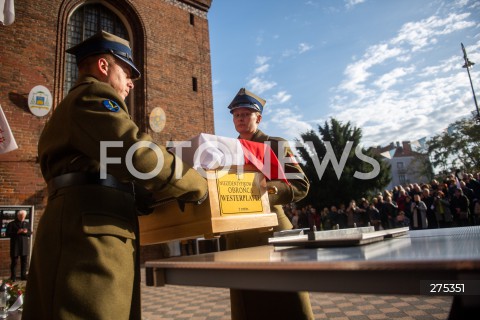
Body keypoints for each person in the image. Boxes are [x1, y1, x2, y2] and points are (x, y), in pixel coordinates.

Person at [22, 31, 208, 320]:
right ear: (104, 66)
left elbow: (107, 163)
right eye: (127, 72)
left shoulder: (82, 105)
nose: (132, 83)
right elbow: (137, 154)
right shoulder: (92, 96)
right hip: (88, 240)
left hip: (96, 231)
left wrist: (142, 194)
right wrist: (197, 183)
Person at [224, 88, 313, 320]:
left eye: (246, 114)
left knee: (288, 303)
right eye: (236, 115)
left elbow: (301, 185)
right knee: (249, 306)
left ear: (258, 118)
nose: (240, 119)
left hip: (272, 231)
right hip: (238, 235)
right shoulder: (225, 150)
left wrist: (266, 191)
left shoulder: (275, 145)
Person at [6, 210, 31, 281]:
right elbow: (8, 234)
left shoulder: (27, 223)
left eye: (24, 217)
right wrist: (17, 232)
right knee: (14, 262)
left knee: (24, 262)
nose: (23, 218)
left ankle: (23, 276)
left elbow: (30, 233)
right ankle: (13, 277)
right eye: (21, 217)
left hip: (24, 245)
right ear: (18, 216)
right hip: (15, 245)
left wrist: (26, 232)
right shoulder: (11, 224)